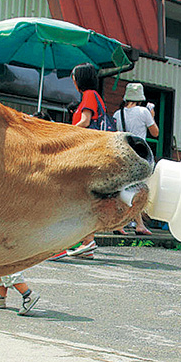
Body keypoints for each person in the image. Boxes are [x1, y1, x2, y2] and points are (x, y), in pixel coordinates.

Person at [65, 62, 112, 258]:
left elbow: (85, 120)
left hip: (87, 152)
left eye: (74, 78)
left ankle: (84, 241)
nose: (73, 82)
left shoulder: (89, 95)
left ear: (80, 79)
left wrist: (66, 132)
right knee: (84, 197)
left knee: (79, 196)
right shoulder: (96, 96)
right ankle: (87, 242)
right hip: (94, 152)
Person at [112, 82, 158, 235]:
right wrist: (152, 116)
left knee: (124, 189)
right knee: (139, 190)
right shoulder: (144, 112)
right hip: (139, 155)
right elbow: (155, 133)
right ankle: (137, 225)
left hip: (122, 154)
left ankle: (127, 224)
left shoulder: (117, 114)